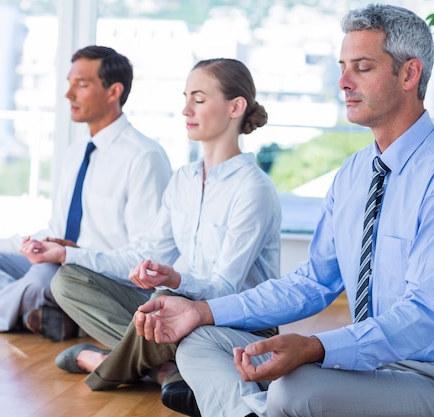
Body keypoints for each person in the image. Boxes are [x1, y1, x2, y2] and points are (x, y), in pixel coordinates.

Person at [133, 4, 434, 417]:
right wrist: (202, 310)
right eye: (342, 66)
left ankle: (249, 404)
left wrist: (316, 347)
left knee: (296, 387)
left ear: (409, 74)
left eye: (361, 68)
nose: (343, 82)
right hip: (371, 370)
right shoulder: (353, 174)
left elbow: (420, 316)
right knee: (201, 339)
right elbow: (312, 282)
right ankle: (249, 411)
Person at [20, 58, 281, 414]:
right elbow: (141, 254)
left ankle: (109, 366)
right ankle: (162, 368)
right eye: (186, 97)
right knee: (68, 281)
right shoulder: (183, 180)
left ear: (235, 107)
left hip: (241, 323)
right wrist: (65, 255)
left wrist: (175, 279)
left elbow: (226, 289)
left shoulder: (254, 189)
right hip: (182, 310)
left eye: (199, 99)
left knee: (168, 302)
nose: (186, 109)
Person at [0, 45, 172, 342]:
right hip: (59, 261)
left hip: (96, 277)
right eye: (69, 83)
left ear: (113, 92)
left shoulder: (144, 157)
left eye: (81, 85)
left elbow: (146, 257)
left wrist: (72, 254)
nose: (69, 94)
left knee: (42, 278)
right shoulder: (76, 153)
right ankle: (43, 315)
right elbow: (55, 230)